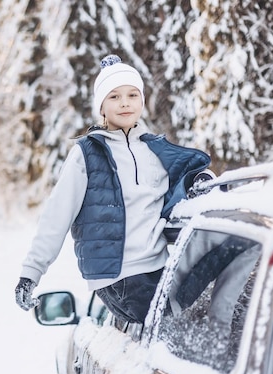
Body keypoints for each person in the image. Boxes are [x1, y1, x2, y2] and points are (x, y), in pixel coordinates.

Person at [15, 54, 211, 325]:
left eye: (132, 95)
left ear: (142, 101)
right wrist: (31, 273)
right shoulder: (87, 153)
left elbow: (186, 180)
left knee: (221, 273)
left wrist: (201, 183)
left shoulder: (155, 151)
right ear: (102, 107)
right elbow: (57, 214)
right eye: (114, 97)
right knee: (171, 328)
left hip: (158, 268)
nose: (125, 103)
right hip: (118, 278)